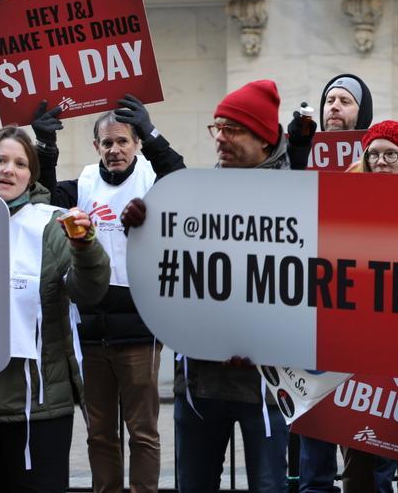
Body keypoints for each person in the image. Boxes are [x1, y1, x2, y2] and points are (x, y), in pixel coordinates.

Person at [123, 79, 291, 493]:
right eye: (217, 128)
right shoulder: (192, 195)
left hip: (268, 386)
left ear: (266, 140)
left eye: (233, 129)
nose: (221, 139)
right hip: (200, 382)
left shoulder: (299, 197)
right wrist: (145, 229)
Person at [31, 95, 184, 493]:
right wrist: (45, 147)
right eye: (107, 143)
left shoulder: (152, 179)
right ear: (96, 147)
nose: (114, 150)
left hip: (139, 327)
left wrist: (154, 136)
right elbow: (43, 203)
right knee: (99, 433)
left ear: (135, 145)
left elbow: (183, 183)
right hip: (90, 330)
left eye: (123, 142)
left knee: (143, 432)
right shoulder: (82, 184)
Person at [0, 126, 110, 493]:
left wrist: (85, 245)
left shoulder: (52, 224)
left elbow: (89, 290)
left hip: (39, 405)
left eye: (20, 163)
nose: (9, 170)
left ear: (31, 174)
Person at [286, 73, 390, 493]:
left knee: (370, 443)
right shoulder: (301, 153)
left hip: (369, 320)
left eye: (345, 101)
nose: (334, 107)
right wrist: (295, 150)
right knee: (316, 435)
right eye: (330, 99)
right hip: (318, 318)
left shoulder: (380, 164)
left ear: (360, 113)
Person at [339, 120, 398, 493]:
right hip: (360, 345)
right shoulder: (347, 205)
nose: (380, 162)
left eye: (390, 154)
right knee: (357, 453)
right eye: (373, 154)